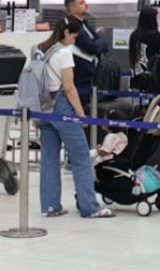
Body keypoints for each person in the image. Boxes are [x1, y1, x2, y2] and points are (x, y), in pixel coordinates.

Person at [36, 16, 115, 219]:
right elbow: (69, 88)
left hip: (43, 107)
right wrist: (81, 114)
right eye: (73, 36)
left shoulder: (40, 49)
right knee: (81, 157)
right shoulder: (64, 53)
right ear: (66, 32)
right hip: (61, 107)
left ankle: (50, 206)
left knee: (49, 159)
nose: (74, 40)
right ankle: (90, 207)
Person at [65, 0, 108, 92]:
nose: (86, 5)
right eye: (81, 3)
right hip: (80, 76)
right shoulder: (72, 26)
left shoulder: (85, 24)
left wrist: (97, 44)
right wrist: (97, 44)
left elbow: (104, 44)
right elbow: (91, 48)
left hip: (91, 75)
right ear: (72, 9)